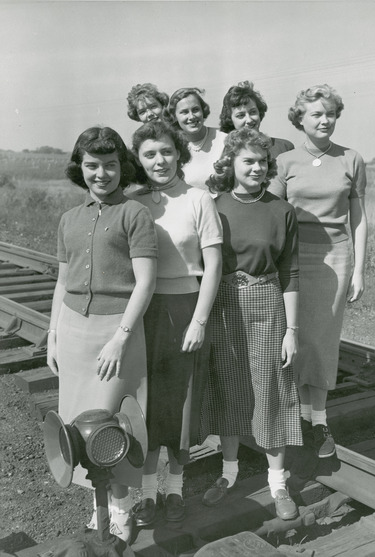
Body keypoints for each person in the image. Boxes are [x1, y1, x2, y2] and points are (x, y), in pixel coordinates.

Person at [47, 126, 158, 542]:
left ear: (122, 167)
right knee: (80, 425)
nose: (101, 174)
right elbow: (62, 282)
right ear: (81, 169)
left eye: (110, 165)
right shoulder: (68, 219)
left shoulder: (134, 214)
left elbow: (144, 283)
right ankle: (98, 509)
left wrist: (121, 337)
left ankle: (121, 507)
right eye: (92, 166)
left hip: (118, 335)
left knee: (119, 424)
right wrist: (54, 332)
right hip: (74, 331)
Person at [199, 128, 302, 521]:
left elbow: (291, 272)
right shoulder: (214, 205)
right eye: (248, 161)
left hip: (268, 304)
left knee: (272, 385)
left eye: (262, 161)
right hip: (224, 303)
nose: (257, 167)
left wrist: (292, 331)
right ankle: (229, 473)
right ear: (231, 164)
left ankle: (278, 481)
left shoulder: (281, 210)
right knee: (229, 384)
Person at [127, 120, 222, 525]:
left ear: (178, 153)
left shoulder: (199, 199)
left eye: (166, 151)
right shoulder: (133, 202)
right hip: (145, 310)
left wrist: (199, 321)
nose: (159, 160)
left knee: (182, 404)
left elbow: (213, 265)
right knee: (147, 403)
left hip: (186, 307)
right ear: (139, 160)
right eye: (149, 154)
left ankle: (175, 488)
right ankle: (147, 493)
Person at [268, 84, 368, 458]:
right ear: (300, 119)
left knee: (323, 336)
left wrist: (358, 268)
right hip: (292, 258)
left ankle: (320, 421)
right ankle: (294, 415)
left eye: (330, 114)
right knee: (292, 335)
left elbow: (357, 218)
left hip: (335, 258)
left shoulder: (351, 159)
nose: (324, 120)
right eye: (316, 114)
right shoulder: (285, 162)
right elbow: (272, 214)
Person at [164, 87, 227, 190]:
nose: (192, 116)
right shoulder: (173, 147)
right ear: (174, 116)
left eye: (195, 110)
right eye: (184, 112)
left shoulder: (224, 140)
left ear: (203, 111)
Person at [219, 81, 294, 159]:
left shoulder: (284, 148)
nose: (249, 120)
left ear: (259, 112)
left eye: (253, 112)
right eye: (240, 115)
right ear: (230, 120)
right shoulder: (225, 154)